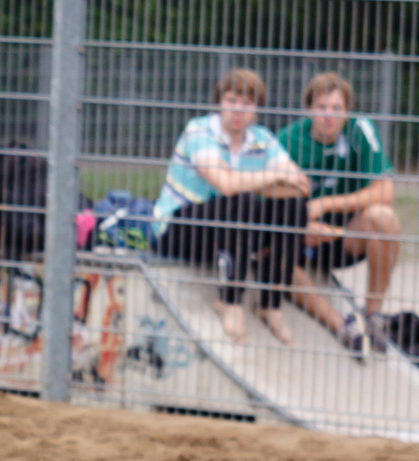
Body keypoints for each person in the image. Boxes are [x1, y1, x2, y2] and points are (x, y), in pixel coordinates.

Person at [152, 68, 310, 345]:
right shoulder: (198, 130)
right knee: (242, 199)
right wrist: (273, 176)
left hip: (229, 230)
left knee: (293, 205)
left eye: (247, 103)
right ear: (219, 102)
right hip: (180, 231)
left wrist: (254, 181)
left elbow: (300, 185)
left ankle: (270, 305)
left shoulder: (262, 138)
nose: (238, 110)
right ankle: (230, 301)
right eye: (231, 100)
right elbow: (225, 185)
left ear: (257, 109)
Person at [279, 72, 404, 355]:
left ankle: (374, 316)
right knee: (275, 255)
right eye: (322, 108)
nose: (329, 116)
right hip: (301, 233)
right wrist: (301, 225)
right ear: (309, 109)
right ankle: (343, 327)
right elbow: (268, 196)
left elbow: (386, 192)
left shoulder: (361, 130)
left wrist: (325, 205)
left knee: (384, 218)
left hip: (344, 233)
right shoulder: (288, 139)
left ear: (347, 111)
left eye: (337, 109)